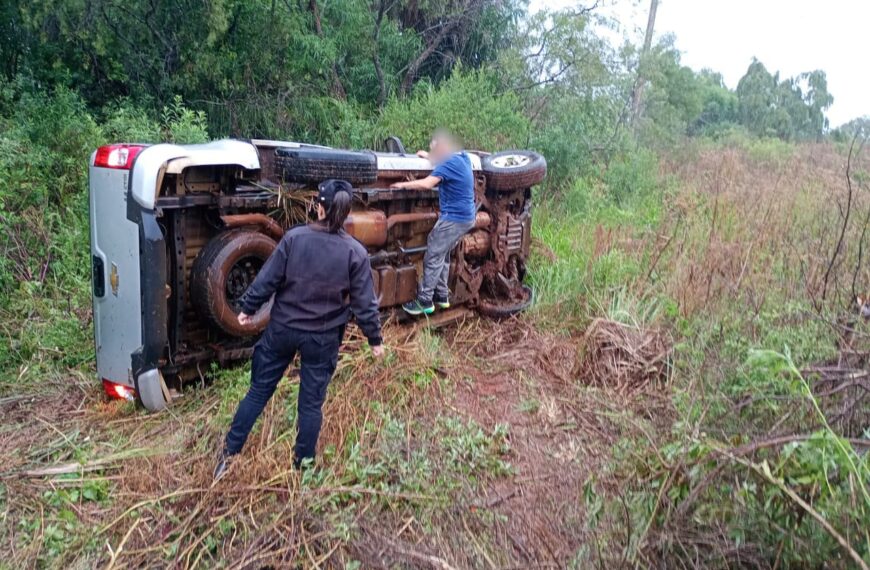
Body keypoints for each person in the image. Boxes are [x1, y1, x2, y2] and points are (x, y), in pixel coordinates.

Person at [214, 179, 385, 480]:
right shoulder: (354, 252)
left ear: (319, 207)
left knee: (257, 392)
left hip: (283, 330)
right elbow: (364, 303)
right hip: (322, 338)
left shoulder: (294, 239)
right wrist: (374, 339)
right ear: (344, 213)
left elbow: (269, 278)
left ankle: (227, 456)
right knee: (310, 405)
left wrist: (247, 308)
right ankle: (302, 471)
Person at [391, 130, 476, 315]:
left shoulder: (447, 163)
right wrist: (429, 156)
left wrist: (403, 185)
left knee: (433, 255)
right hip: (467, 218)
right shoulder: (462, 158)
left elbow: (427, 184)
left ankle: (425, 301)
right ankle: (442, 296)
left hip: (454, 218)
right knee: (443, 253)